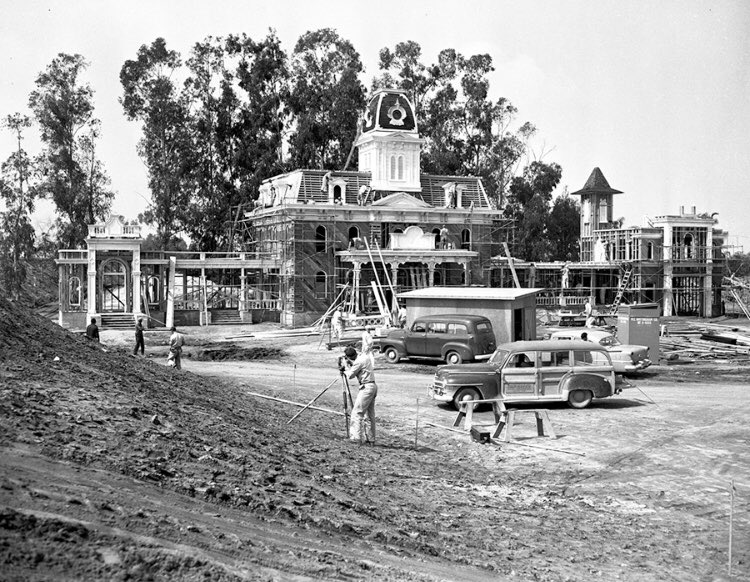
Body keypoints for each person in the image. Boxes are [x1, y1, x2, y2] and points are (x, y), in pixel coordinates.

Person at [343, 346, 378, 444]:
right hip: (373, 386)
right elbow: (360, 368)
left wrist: (345, 367)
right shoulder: (364, 357)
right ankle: (370, 439)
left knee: (357, 413)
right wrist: (351, 364)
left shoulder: (358, 362)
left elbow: (350, 375)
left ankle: (355, 438)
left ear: (349, 357)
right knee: (370, 415)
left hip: (366, 388)